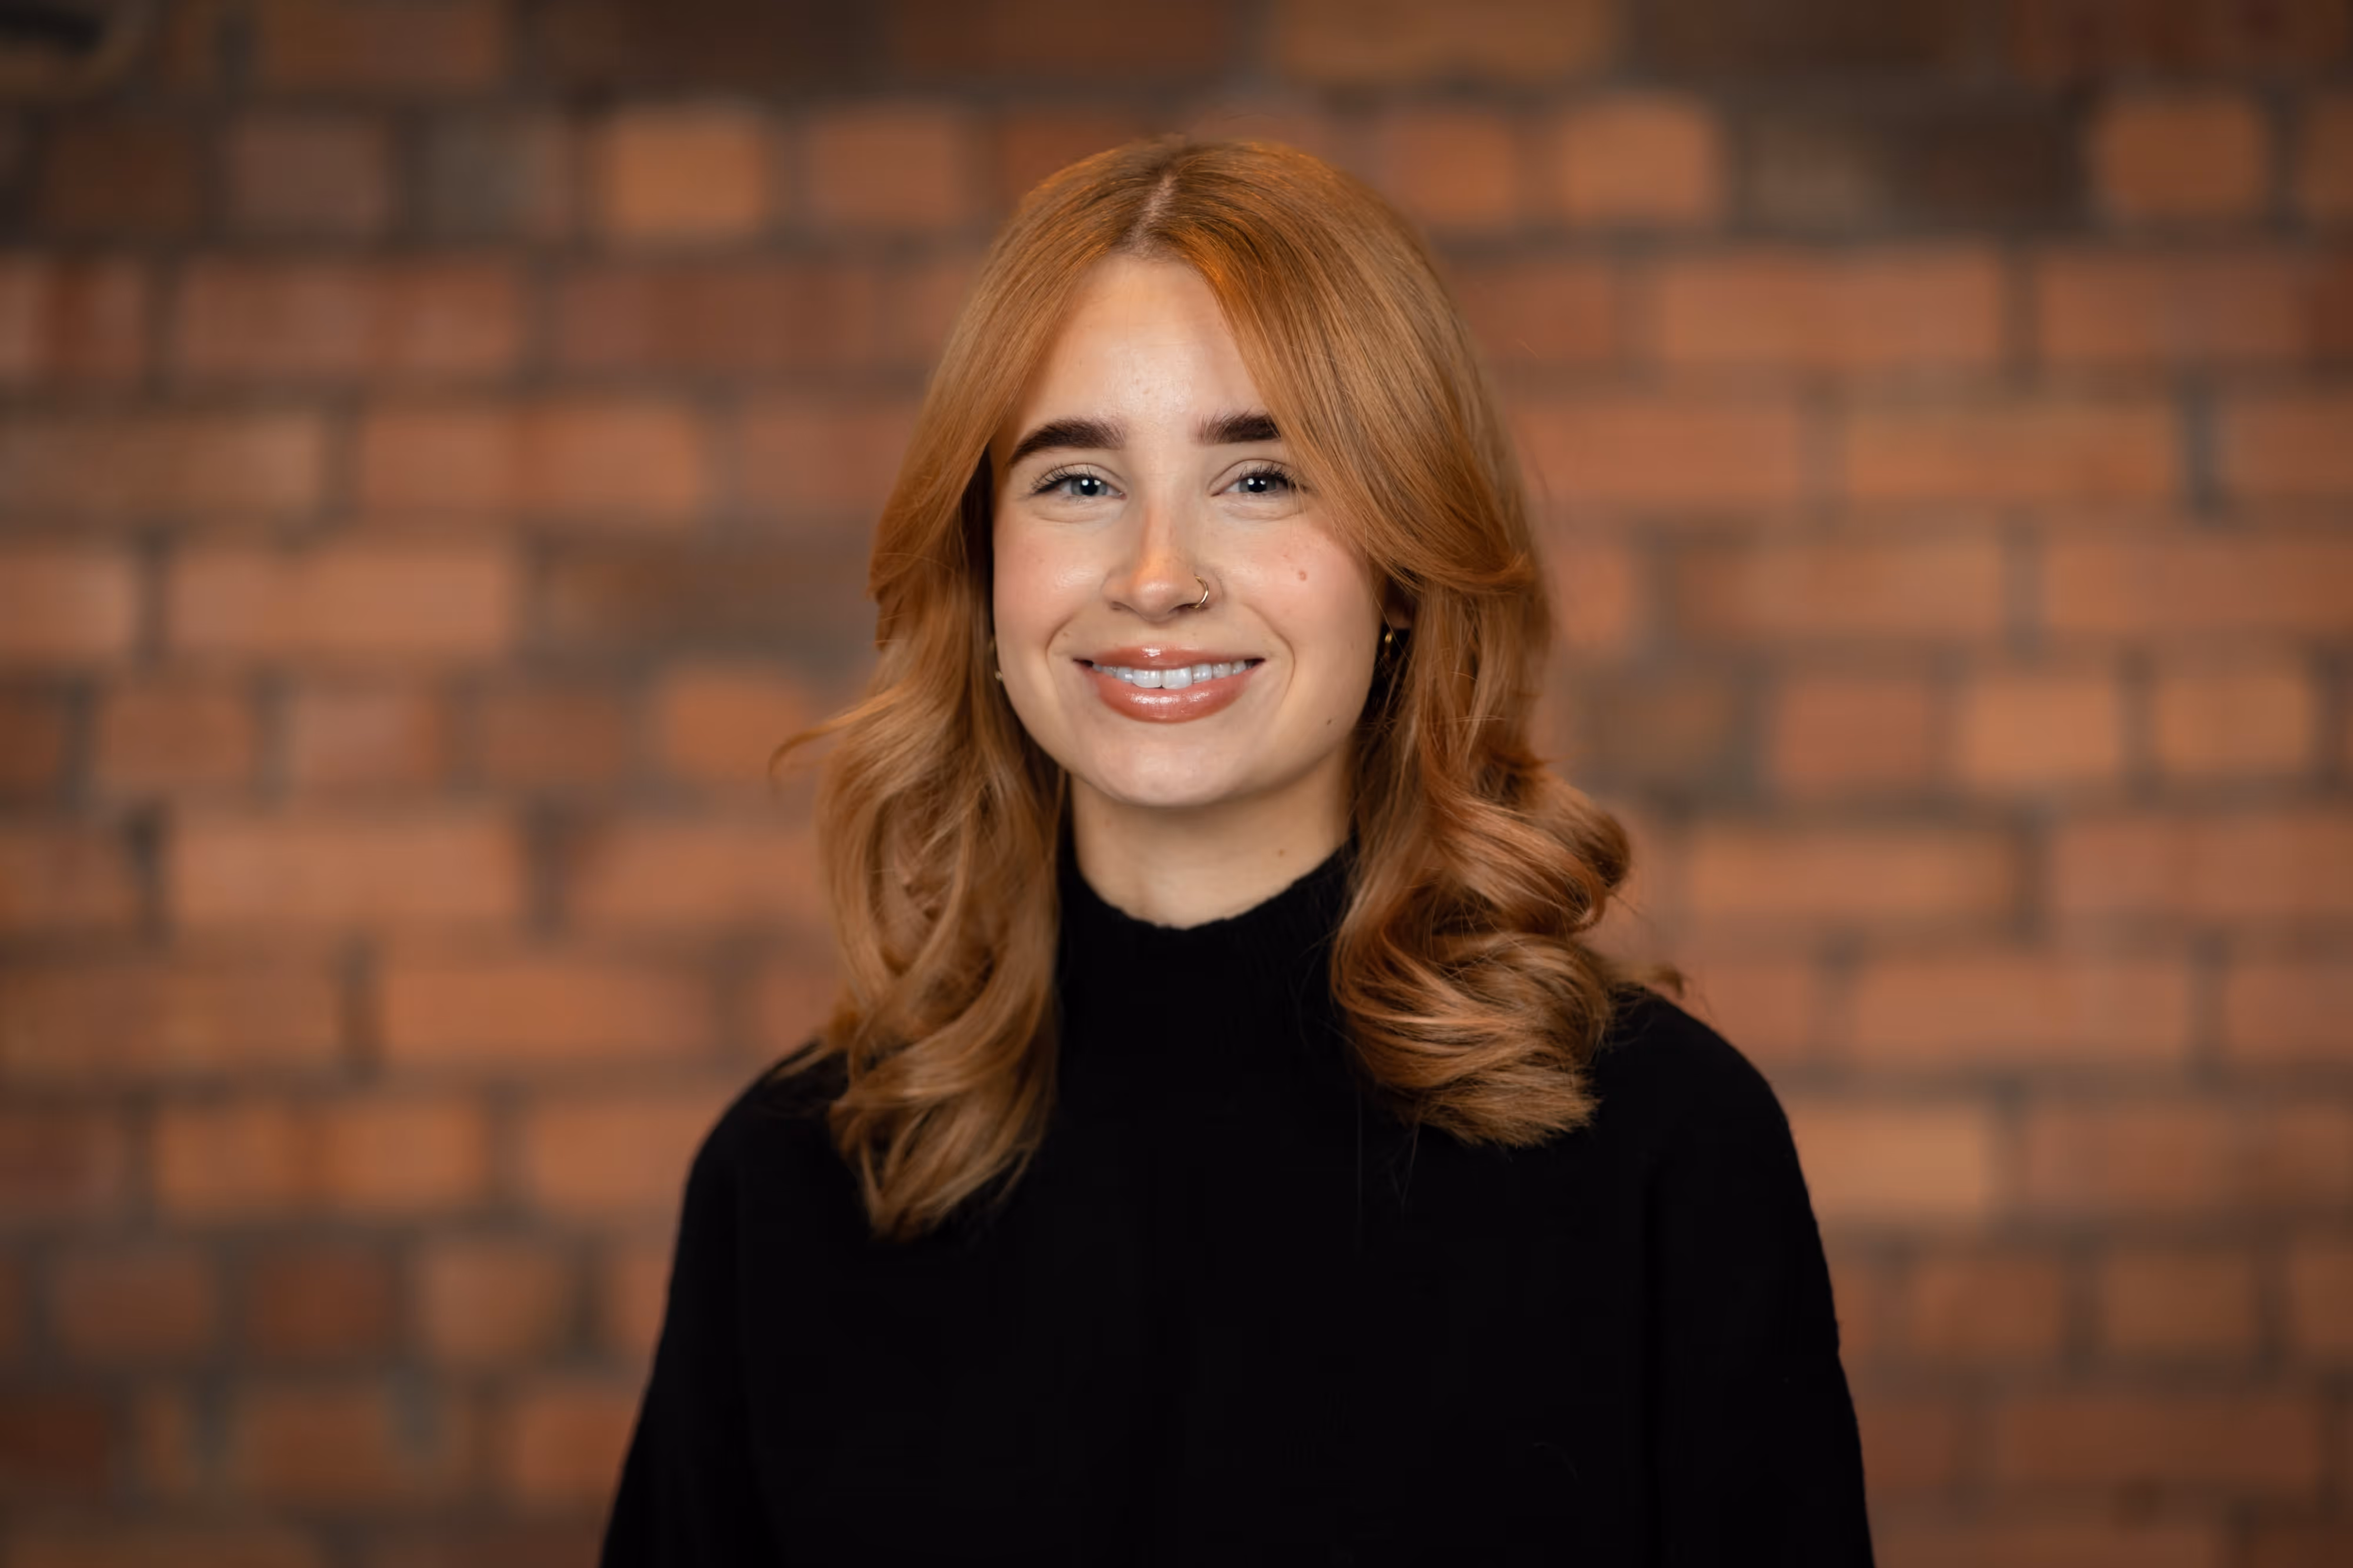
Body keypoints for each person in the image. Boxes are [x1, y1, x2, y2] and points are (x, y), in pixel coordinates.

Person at [599, 136, 1875, 1564]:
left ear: (1402, 567)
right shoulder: (794, 1181)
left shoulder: (1660, 1151)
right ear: (982, 565)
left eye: (1260, 477)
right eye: (1078, 484)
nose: (1156, 577)